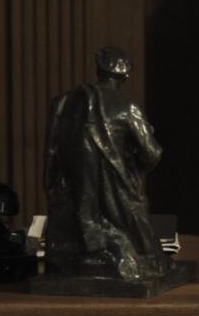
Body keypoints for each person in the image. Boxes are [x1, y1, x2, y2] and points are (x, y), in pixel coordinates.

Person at [44, 47, 171, 281]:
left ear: (99, 69)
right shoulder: (127, 107)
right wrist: (134, 166)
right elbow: (152, 153)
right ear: (126, 75)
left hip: (73, 194)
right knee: (137, 229)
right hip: (116, 188)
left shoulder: (64, 102)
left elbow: (53, 152)